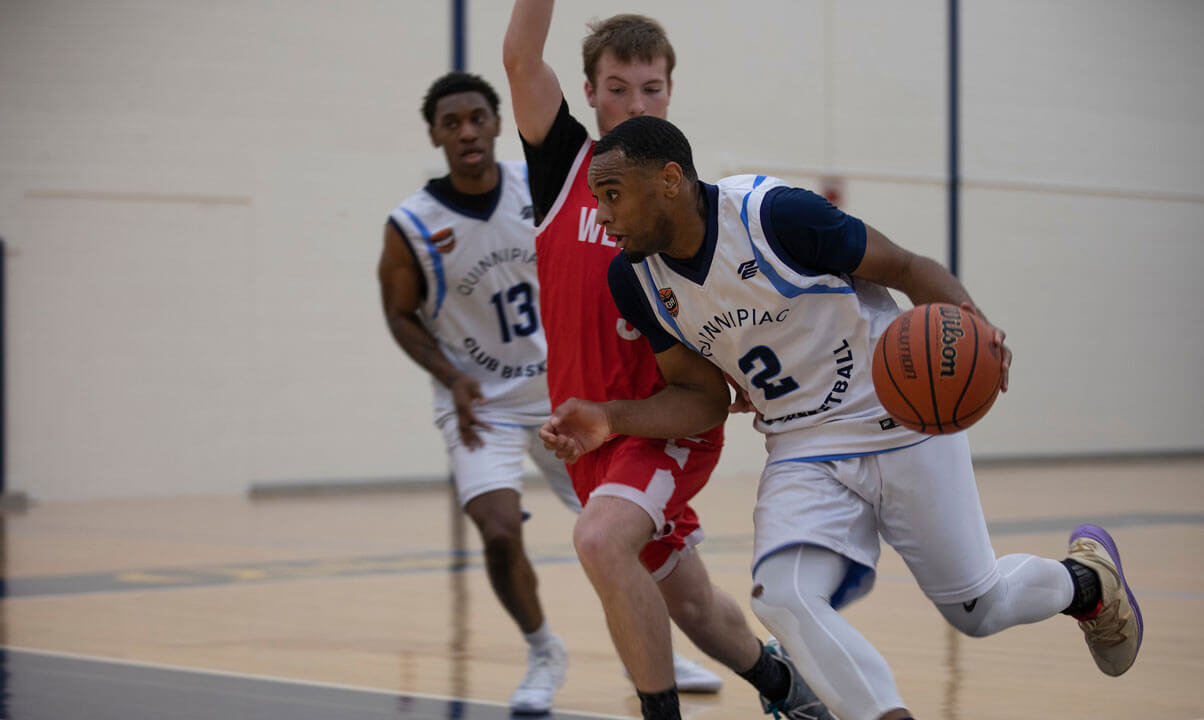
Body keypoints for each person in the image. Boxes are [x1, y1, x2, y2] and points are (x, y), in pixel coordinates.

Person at [540, 115, 1145, 720]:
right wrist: (610, 417)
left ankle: (1086, 582)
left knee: (979, 609)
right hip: (802, 442)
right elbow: (701, 398)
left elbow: (908, 268)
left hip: (900, 414)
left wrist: (973, 326)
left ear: (669, 181)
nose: (603, 214)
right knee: (781, 598)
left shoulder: (774, 215)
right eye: (597, 198)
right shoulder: (635, 278)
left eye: (613, 194)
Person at [503, 5, 832, 720]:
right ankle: (790, 691)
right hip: (589, 433)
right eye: (617, 87)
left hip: (662, 422)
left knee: (598, 539)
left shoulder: (673, 196)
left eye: (650, 88)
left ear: (670, 94)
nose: (634, 104)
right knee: (687, 601)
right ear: (587, 94)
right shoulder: (566, 168)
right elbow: (522, 61)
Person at [377, 71, 723, 714]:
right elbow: (399, 313)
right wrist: (452, 379)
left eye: (478, 117)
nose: (468, 131)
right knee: (499, 529)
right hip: (476, 398)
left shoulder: (543, 184)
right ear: (435, 134)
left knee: (630, 531)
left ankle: (660, 647)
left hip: (562, 393)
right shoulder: (412, 225)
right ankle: (542, 651)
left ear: (496, 121)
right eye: (451, 123)